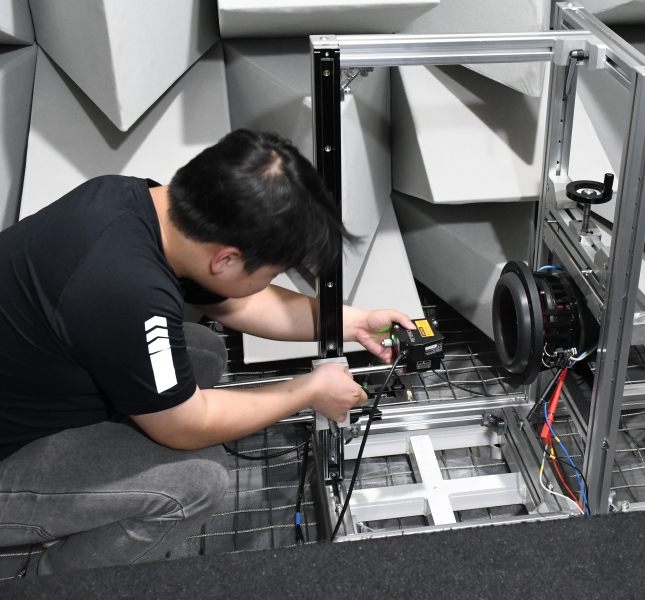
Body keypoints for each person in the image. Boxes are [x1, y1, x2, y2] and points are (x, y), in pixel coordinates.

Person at [0, 129, 414, 576]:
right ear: (226, 259)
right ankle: (49, 583)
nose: (267, 283)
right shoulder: (128, 291)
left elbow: (239, 302)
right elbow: (187, 426)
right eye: (269, 273)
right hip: (8, 458)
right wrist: (308, 390)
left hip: (29, 388)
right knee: (197, 481)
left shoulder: (135, 201)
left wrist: (354, 323)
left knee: (204, 352)